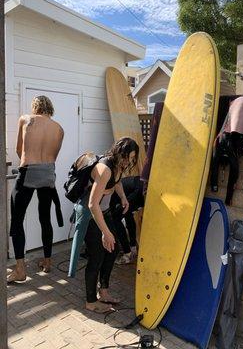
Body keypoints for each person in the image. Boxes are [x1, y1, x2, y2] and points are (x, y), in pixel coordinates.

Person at [70, 137, 139, 313]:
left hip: (103, 211)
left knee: (113, 249)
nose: (128, 162)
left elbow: (116, 183)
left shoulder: (117, 167)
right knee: (97, 256)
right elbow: (93, 204)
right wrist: (105, 232)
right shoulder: (104, 169)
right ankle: (91, 301)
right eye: (126, 157)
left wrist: (123, 197)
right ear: (118, 152)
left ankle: (104, 291)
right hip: (90, 214)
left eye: (131, 159)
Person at [7, 95, 64, 283]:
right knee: (45, 218)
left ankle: (20, 270)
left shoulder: (25, 119)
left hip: (28, 172)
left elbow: (18, 149)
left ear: (35, 107)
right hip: (48, 173)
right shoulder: (59, 129)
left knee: (17, 221)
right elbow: (53, 156)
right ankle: (47, 262)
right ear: (50, 108)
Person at [110, 176, 144, 264]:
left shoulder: (107, 194)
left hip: (137, 190)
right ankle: (133, 249)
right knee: (128, 215)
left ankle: (127, 254)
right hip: (142, 185)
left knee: (115, 219)